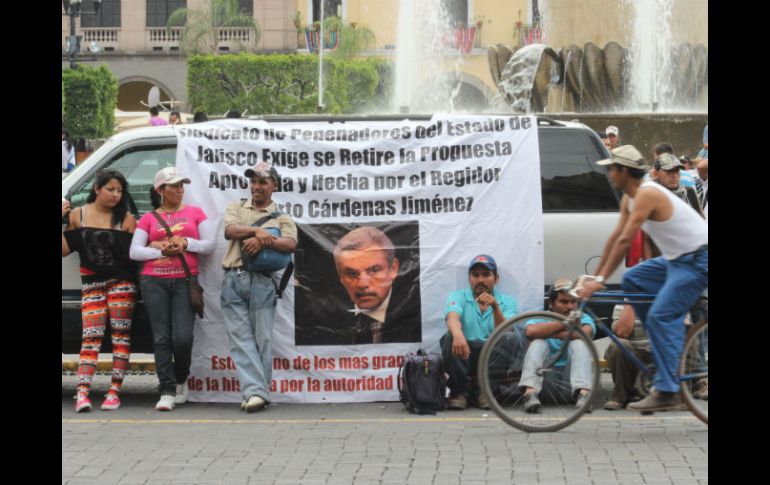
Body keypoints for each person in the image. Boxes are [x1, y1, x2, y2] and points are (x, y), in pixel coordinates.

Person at [577, 145, 708, 413]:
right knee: (634, 277)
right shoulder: (629, 198)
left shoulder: (647, 194)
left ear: (624, 171)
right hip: (675, 259)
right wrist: (594, 277)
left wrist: (600, 279)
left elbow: (626, 240)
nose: (609, 174)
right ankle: (662, 339)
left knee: (661, 315)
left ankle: (669, 388)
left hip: (698, 258)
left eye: (612, 169)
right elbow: (616, 237)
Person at [129, 167, 215, 411]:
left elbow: (210, 244)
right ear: (160, 190)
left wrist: (186, 242)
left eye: (182, 185)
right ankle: (166, 389)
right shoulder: (148, 218)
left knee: (182, 338)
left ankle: (180, 378)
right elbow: (134, 251)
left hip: (184, 281)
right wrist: (161, 251)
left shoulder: (195, 213)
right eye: (174, 185)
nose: (180, 189)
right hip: (152, 280)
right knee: (161, 338)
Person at [221, 163, 298, 413]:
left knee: (262, 339)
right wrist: (257, 230)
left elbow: (290, 244)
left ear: (274, 186)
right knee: (240, 339)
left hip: (263, 281)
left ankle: (257, 392)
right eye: (253, 181)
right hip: (234, 278)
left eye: (263, 182)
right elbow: (230, 230)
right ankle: (257, 392)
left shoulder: (282, 216)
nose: (256, 186)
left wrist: (266, 240)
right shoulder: (236, 207)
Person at [62, 170, 138, 412]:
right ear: (97, 189)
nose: (116, 195)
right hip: (91, 282)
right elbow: (64, 250)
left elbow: (133, 257)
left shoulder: (127, 219)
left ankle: (114, 391)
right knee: (90, 336)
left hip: (121, 282)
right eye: (111, 189)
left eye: (119, 190)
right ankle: (82, 391)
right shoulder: (77, 215)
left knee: (120, 336)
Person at [441, 255, 523, 410]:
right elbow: (452, 316)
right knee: (449, 336)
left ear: (496, 278)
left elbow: (507, 329)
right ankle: (460, 393)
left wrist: (495, 307)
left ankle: (486, 392)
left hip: (492, 357)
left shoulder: (508, 301)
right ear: (469, 278)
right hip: (465, 353)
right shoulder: (458, 296)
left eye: (486, 275)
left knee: (510, 337)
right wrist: (458, 335)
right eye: (475, 275)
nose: (480, 280)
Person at [330, 226, 422, 344]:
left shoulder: (416, 315)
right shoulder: (324, 320)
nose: (363, 284)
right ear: (340, 276)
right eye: (352, 273)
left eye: (374, 270)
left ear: (393, 268)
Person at [519, 278, 596, 413]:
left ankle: (584, 395)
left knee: (579, 343)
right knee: (538, 343)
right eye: (564, 302)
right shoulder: (540, 317)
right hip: (544, 384)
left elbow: (586, 334)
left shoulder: (583, 317)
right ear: (551, 304)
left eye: (573, 302)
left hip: (573, 384)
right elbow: (530, 331)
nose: (570, 307)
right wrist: (565, 323)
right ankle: (529, 394)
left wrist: (549, 332)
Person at [603, 305, 653, 410]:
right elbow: (622, 332)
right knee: (619, 345)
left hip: (656, 355)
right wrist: (631, 304)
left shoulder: (663, 298)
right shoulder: (621, 306)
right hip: (633, 357)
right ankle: (619, 397)